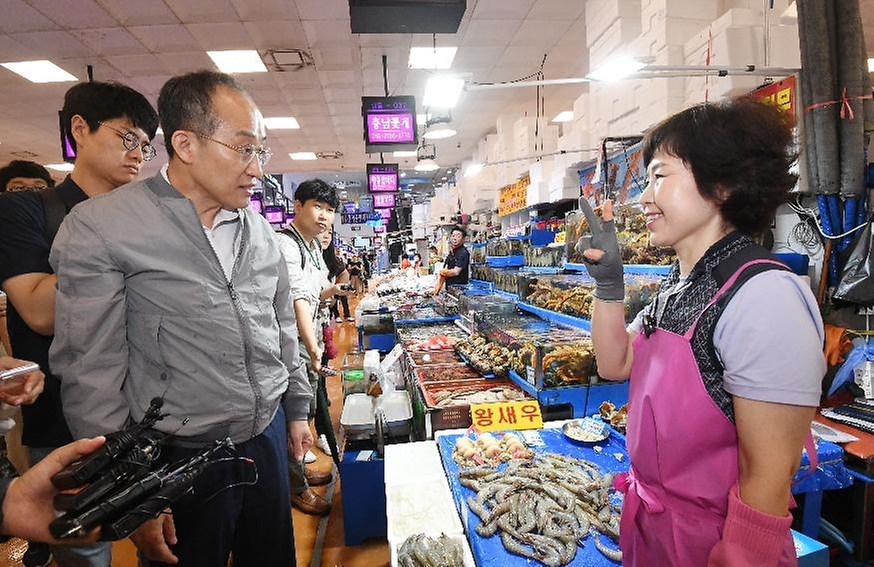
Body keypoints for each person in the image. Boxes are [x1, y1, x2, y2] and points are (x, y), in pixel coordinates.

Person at [49, 70, 312, 566]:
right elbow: (90, 371)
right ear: (185, 144)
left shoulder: (260, 232)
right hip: (175, 456)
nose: (257, 169)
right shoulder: (103, 228)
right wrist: (129, 488)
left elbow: (280, 329)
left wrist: (296, 409)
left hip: (266, 434)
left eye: (261, 152)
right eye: (244, 149)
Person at [579, 97, 824, 566]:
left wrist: (740, 555)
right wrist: (609, 285)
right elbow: (615, 363)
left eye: (660, 177)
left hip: (713, 541)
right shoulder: (680, 284)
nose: (644, 198)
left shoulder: (764, 295)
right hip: (654, 528)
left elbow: (769, 473)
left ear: (723, 185)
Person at [0, 80, 158, 567]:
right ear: (80, 130)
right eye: (127, 137)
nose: (138, 154)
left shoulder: (148, 218)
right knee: (84, 543)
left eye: (146, 144)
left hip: (149, 408)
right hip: (65, 416)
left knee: (163, 533)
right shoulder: (25, 209)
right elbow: (39, 312)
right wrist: (110, 245)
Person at [275, 179, 350, 516]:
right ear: (298, 206)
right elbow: (297, 300)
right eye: (317, 207)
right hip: (292, 345)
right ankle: (295, 487)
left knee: (305, 412)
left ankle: (299, 472)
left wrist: (331, 293)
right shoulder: (287, 244)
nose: (324, 216)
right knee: (295, 414)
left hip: (309, 340)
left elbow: (314, 294)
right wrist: (311, 346)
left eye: (330, 210)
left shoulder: (312, 247)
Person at [433, 226, 470, 294]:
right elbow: (444, 272)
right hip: (450, 289)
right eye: (453, 236)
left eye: (458, 236)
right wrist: (436, 291)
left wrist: (442, 272)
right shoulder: (451, 253)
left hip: (460, 291)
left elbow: (456, 272)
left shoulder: (464, 253)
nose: (455, 238)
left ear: (463, 239)